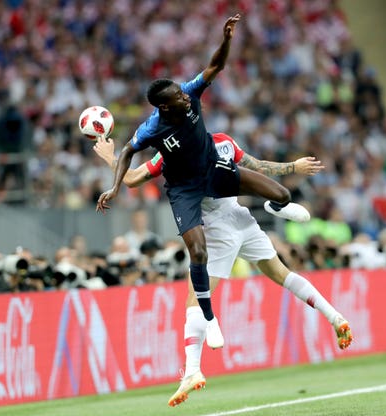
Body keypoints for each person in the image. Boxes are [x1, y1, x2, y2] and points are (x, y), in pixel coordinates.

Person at [96, 14, 310, 349]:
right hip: (186, 191)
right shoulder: (156, 135)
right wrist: (113, 181)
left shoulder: (195, 100)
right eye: (178, 97)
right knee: (198, 253)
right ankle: (208, 320)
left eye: (184, 92)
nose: (185, 96)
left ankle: (273, 206)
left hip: (215, 173)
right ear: (164, 107)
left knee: (282, 193)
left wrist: (225, 39)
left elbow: (214, 67)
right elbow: (130, 160)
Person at [93, 133, 354, 407]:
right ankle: (335, 316)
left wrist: (110, 157)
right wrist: (293, 167)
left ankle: (192, 370)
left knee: (195, 297)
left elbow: (132, 179)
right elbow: (259, 166)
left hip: (218, 229)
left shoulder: (170, 150)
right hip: (242, 218)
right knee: (282, 274)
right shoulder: (222, 140)